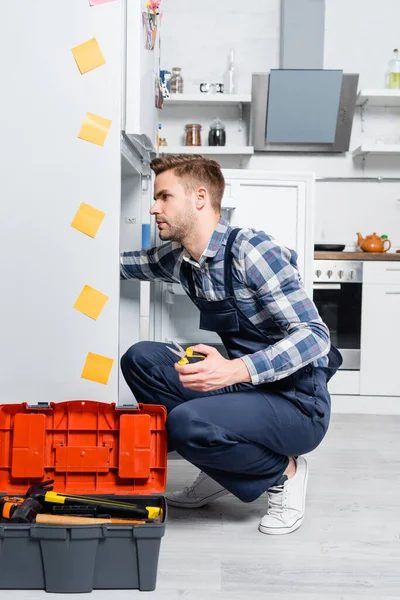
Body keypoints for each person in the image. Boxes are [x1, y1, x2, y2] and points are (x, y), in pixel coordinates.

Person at [120, 154, 342, 535]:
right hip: (247, 390)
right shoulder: (181, 260)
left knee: (187, 422)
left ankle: (285, 473)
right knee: (141, 359)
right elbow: (124, 263)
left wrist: (234, 369)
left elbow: (315, 336)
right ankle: (224, 466)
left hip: (298, 402)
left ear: (199, 197)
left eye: (164, 197)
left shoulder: (252, 251)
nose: (154, 208)